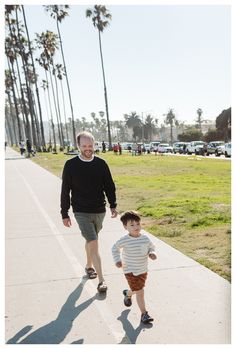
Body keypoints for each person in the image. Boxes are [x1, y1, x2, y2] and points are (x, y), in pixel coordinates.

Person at [60, 131, 118, 293]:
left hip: (100, 210)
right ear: (78, 146)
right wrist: (64, 212)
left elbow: (109, 186)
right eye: (84, 146)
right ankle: (101, 281)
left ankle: (88, 266)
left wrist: (113, 205)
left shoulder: (101, 164)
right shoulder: (71, 165)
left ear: (94, 145)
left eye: (90, 146)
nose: (88, 149)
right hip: (81, 211)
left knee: (91, 240)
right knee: (94, 243)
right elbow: (65, 190)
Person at [112, 210, 157, 324]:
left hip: (143, 269)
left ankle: (127, 294)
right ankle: (144, 314)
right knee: (140, 291)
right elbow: (114, 248)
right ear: (125, 227)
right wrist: (118, 260)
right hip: (130, 270)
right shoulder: (125, 240)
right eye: (132, 225)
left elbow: (151, 247)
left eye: (138, 224)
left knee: (137, 289)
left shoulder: (145, 238)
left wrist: (151, 253)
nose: (136, 227)